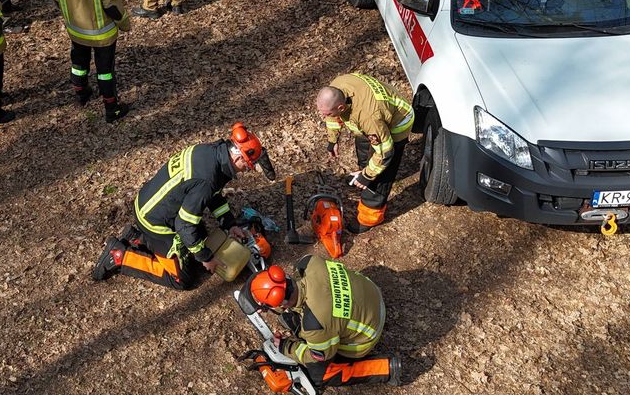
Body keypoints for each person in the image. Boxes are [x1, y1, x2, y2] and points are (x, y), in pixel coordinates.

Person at [92, 123, 276, 289]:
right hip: (156, 222)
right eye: (248, 166)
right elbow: (185, 225)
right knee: (183, 279)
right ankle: (120, 256)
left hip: (150, 202)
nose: (246, 170)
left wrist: (229, 223)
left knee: (199, 242)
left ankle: (138, 238)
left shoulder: (213, 153)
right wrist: (207, 258)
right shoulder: (207, 179)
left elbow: (213, 194)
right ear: (238, 159)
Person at [240, 258, 400, 387]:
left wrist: (287, 347)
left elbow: (316, 357)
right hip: (370, 295)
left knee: (320, 374)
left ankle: (385, 368)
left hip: (367, 333)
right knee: (296, 321)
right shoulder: (307, 262)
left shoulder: (315, 324)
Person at [316, 74, 414, 232]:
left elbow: (384, 153)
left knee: (380, 175)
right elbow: (332, 114)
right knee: (364, 147)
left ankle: (368, 219)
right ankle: (362, 174)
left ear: (341, 108)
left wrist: (369, 175)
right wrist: (332, 140)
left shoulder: (367, 116)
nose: (323, 117)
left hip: (399, 121)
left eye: (326, 114)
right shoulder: (337, 87)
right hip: (374, 118)